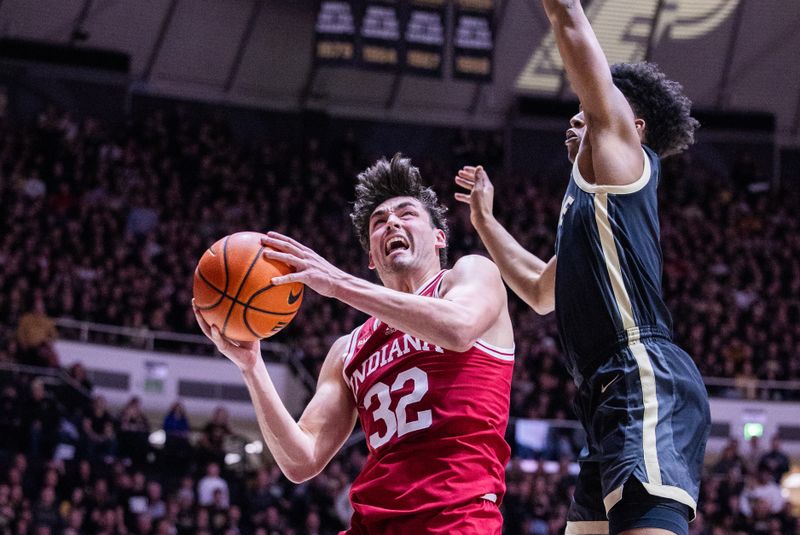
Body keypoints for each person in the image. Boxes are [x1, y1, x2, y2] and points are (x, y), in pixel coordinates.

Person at [453, 2, 710, 534]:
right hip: (603, 394)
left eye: (586, 111)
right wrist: (484, 221)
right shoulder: (589, 206)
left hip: (642, 373)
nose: (574, 119)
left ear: (632, 125)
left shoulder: (621, 159)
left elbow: (569, 20)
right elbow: (541, 291)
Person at [194, 154, 515, 534]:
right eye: (379, 222)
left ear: (439, 236)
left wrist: (337, 283)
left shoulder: (469, 274)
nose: (391, 221)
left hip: (453, 521)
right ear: (371, 258)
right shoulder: (348, 348)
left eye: (406, 213)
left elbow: (459, 329)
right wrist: (252, 367)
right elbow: (302, 459)